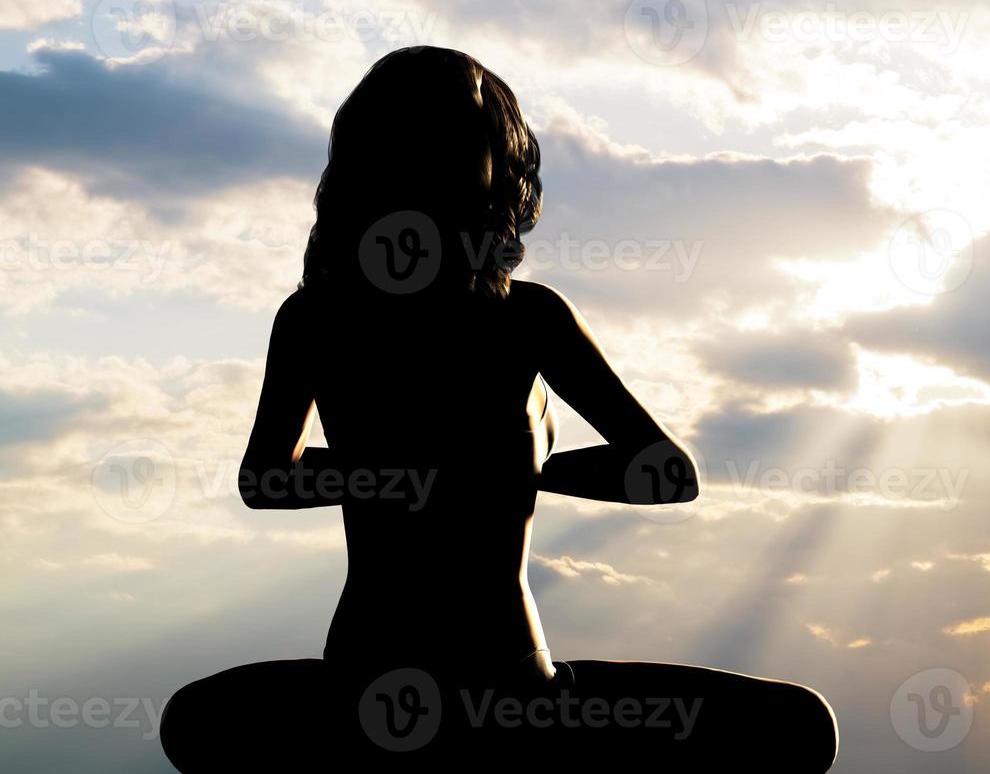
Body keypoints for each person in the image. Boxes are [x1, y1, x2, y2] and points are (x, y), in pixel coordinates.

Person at [158, 46, 839, 772]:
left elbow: (671, 474)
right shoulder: (321, 320)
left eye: (450, 135)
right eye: (406, 137)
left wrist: (517, 474)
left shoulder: (520, 319)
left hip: (501, 678)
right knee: (193, 717)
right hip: (412, 676)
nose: (426, 156)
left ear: (493, 158)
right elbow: (263, 481)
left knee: (799, 724)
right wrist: (437, 474)